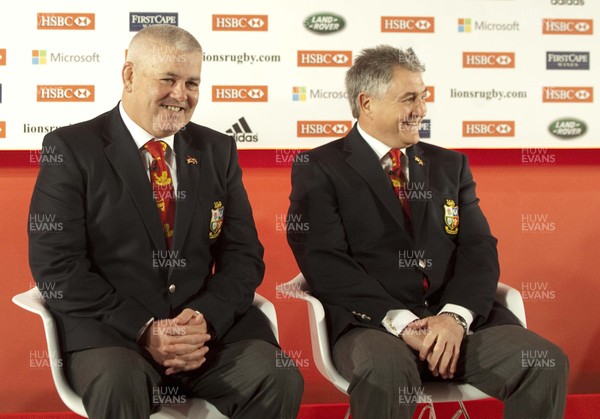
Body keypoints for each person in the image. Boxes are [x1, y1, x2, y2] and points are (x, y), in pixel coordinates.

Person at [28, 24, 302, 419]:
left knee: (277, 377)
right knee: (117, 383)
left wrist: (206, 318)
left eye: (192, 82)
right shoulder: (71, 149)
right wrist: (145, 329)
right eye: (168, 79)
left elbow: (243, 254)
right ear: (129, 75)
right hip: (114, 335)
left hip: (206, 336)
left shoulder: (217, 149)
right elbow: (57, 266)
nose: (181, 95)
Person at [287, 45, 567, 419]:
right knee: (385, 371)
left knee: (544, 363)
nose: (422, 109)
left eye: (423, 97)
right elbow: (324, 263)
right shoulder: (318, 167)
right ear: (367, 103)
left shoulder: (450, 165)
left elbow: (478, 248)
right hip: (371, 326)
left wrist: (454, 317)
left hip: (458, 326)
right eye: (410, 99)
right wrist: (403, 324)